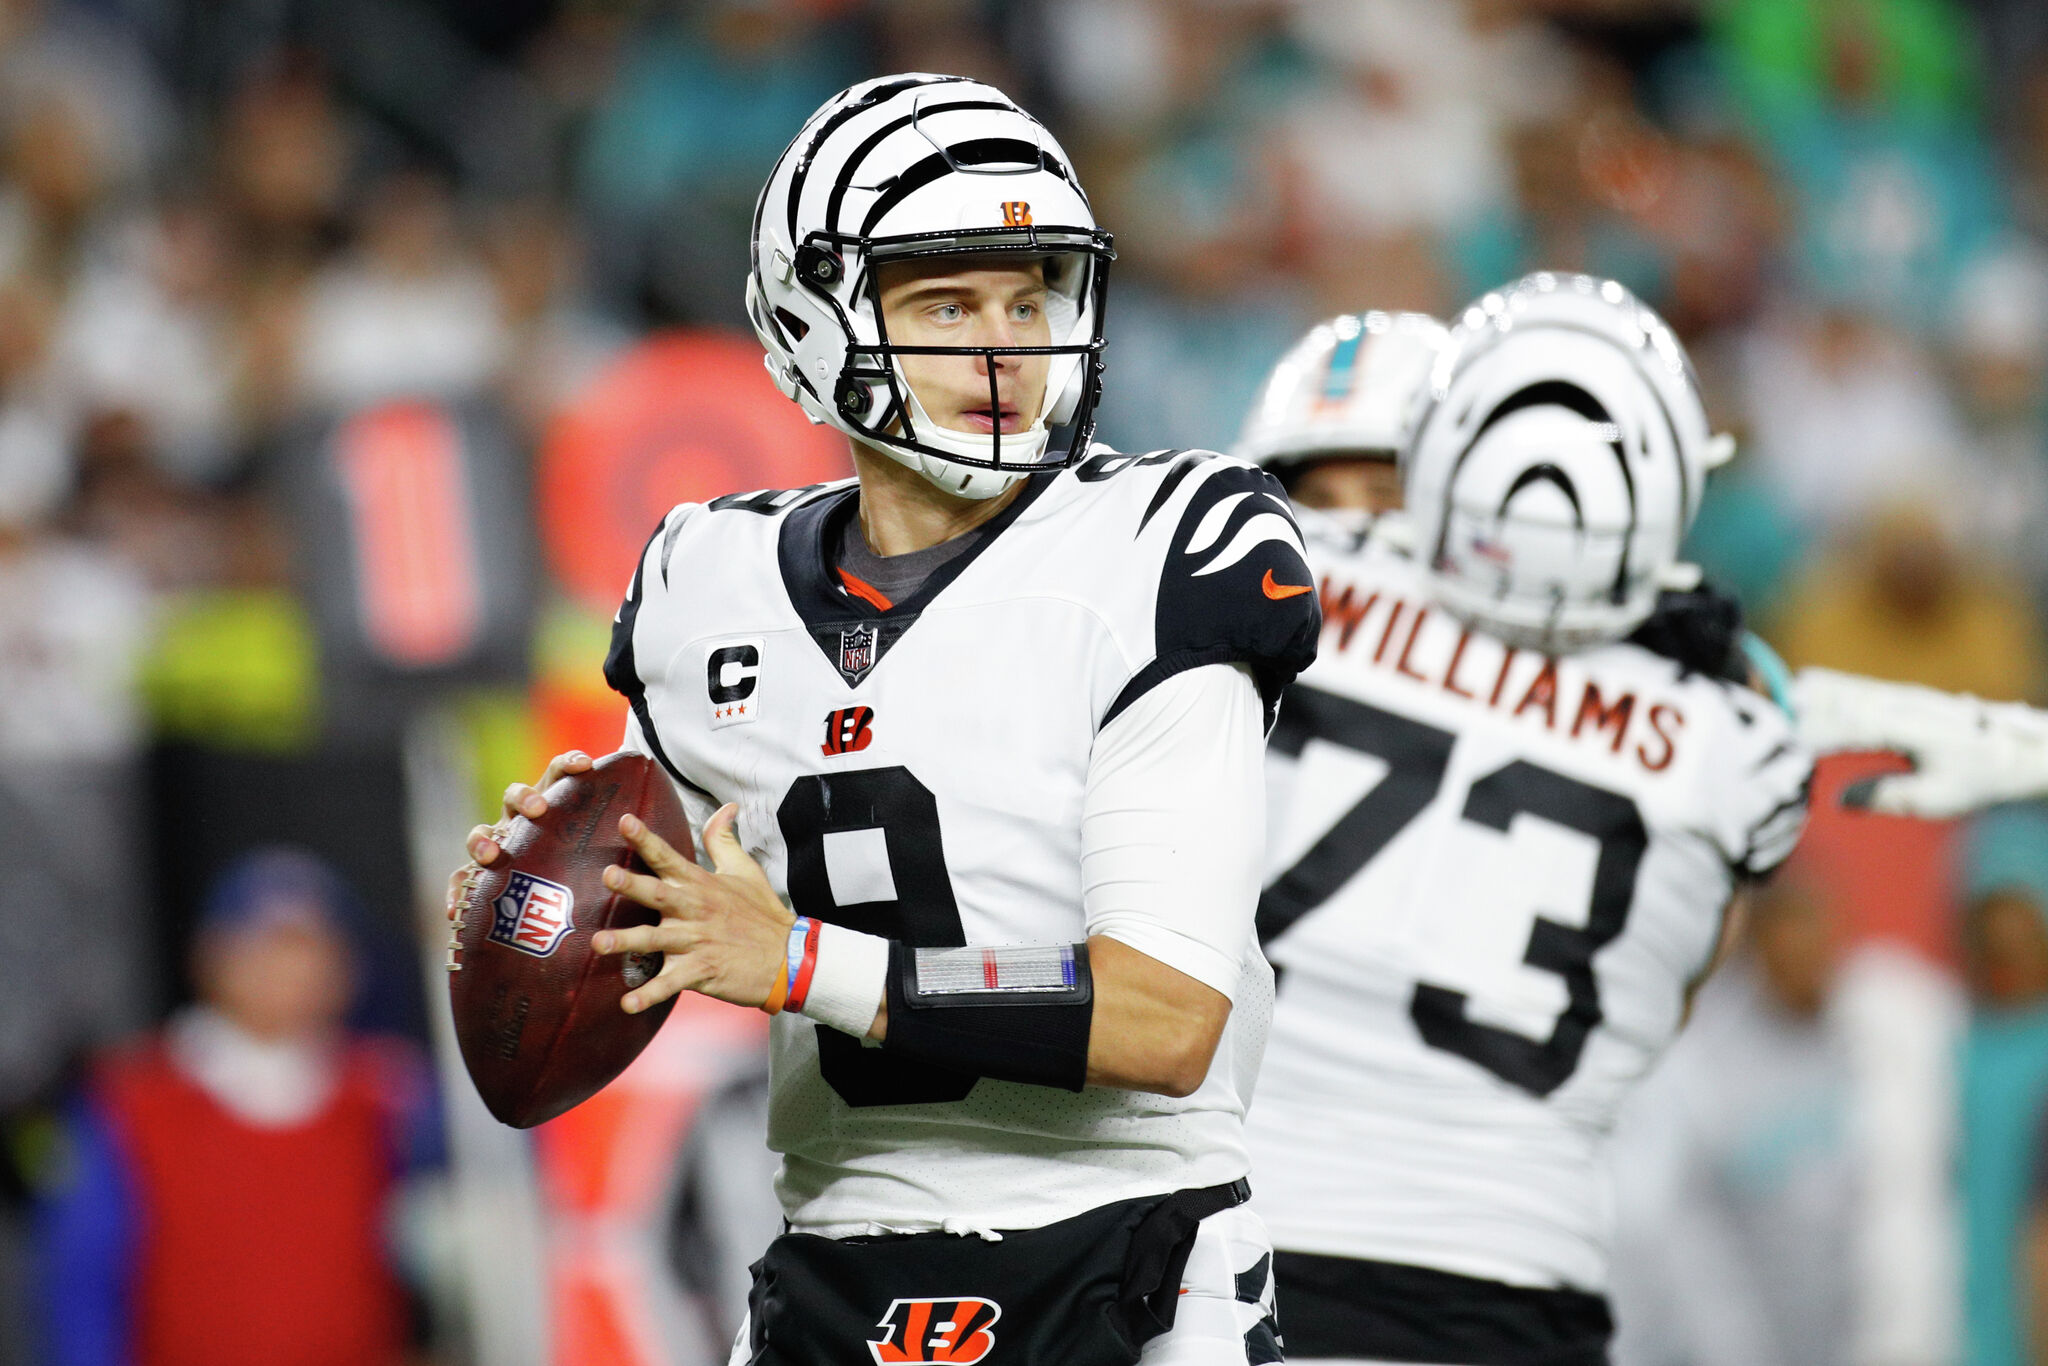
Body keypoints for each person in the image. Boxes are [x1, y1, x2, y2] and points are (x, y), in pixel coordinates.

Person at [453, 73, 1318, 1366]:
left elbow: (1166, 1017)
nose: (1003, 348)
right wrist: (550, 892)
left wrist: (803, 963)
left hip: (1127, 1245)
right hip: (836, 1251)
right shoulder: (706, 584)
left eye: (1030, 298)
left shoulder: (1158, 552)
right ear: (815, 314)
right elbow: (668, 910)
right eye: (947, 300)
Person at [1247, 274, 1812, 1365]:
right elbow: (1674, 989)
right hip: (1509, 1281)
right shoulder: (1737, 744)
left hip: (1223, 1254)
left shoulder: (1278, 586)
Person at [34, 848, 440, 1366]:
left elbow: (506, 1149)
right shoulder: (131, 1103)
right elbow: (81, 1286)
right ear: (212, 957)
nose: (293, 969)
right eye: (266, 947)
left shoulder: (386, 1094)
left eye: (314, 948)